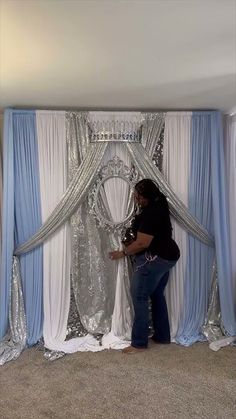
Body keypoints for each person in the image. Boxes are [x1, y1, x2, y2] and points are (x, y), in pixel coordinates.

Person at [109, 178, 180, 354]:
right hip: (169, 256)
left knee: (139, 295)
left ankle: (139, 343)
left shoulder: (151, 214)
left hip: (155, 258)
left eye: (139, 197)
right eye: (135, 195)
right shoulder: (159, 202)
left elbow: (142, 243)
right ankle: (162, 336)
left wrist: (122, 253)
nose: (136, 199)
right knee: (156, 294)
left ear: (148, 196)